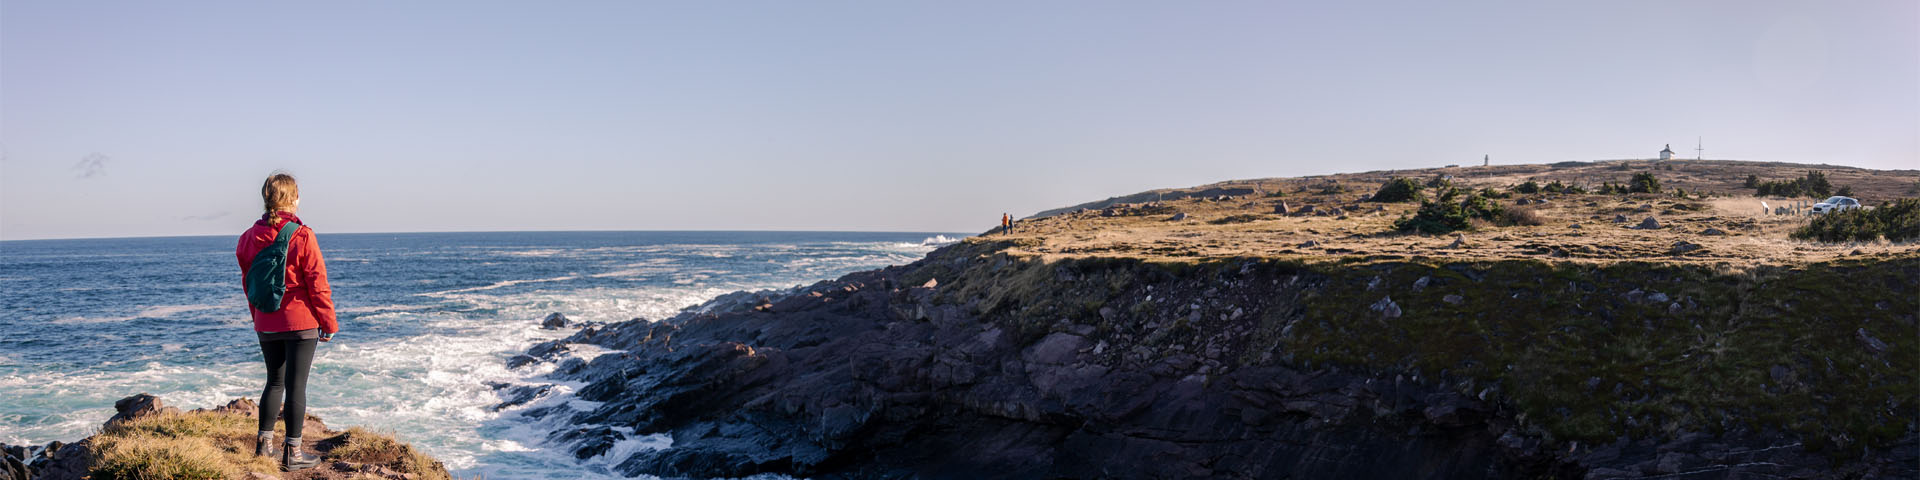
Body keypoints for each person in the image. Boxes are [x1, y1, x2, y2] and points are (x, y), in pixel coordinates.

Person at [236, 172, 338, 471]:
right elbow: (317, 284)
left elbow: (249, 284)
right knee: (296, 386)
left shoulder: (247, 237)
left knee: (274, 381)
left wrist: (258, 317)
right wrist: (328, 323)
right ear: (293, 198)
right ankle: (293, 453)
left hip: (266, 319)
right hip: (299, 321)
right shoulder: (302, 235)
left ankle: (263, 446)